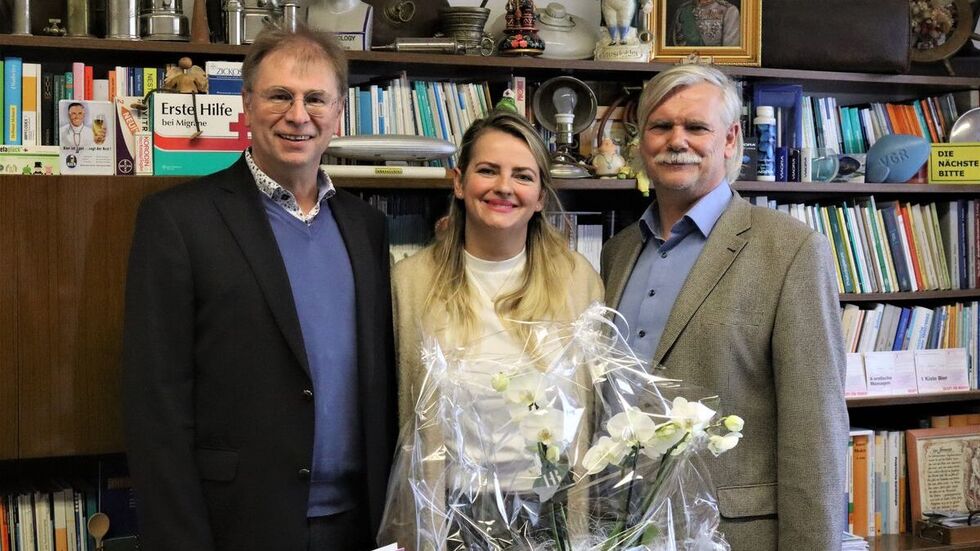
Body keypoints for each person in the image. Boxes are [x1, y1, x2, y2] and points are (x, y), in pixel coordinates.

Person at [122, 25, 395, 551]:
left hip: (361, 522)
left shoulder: (367, 227)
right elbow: (155, 404)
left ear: (338, 113)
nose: (298, 114)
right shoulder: (178, 221)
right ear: (246, 105)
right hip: (237, 523)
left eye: (316, 98)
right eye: (279, 96)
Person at [600, 64, 847, 550]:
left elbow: (814, 431)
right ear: (641, 140)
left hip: (732, 535)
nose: (677, 140)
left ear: (731, 140)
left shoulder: (791, 250)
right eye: (660, 126)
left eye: (696, 127)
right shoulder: (618, 252)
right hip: (617, 528)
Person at [386, 110, 603, 549]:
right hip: (445, 509)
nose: (504, 187)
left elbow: (593, 408)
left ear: (541, 195)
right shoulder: (409, 282)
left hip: (551, 511)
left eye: (522, 175)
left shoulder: (578, 280)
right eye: (487, 171)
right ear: (459, 183)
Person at [671, 0, 740, 47]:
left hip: (715, 66)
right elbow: (673, 44)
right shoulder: (683, 10)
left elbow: (729, 53)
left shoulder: (729, 10)